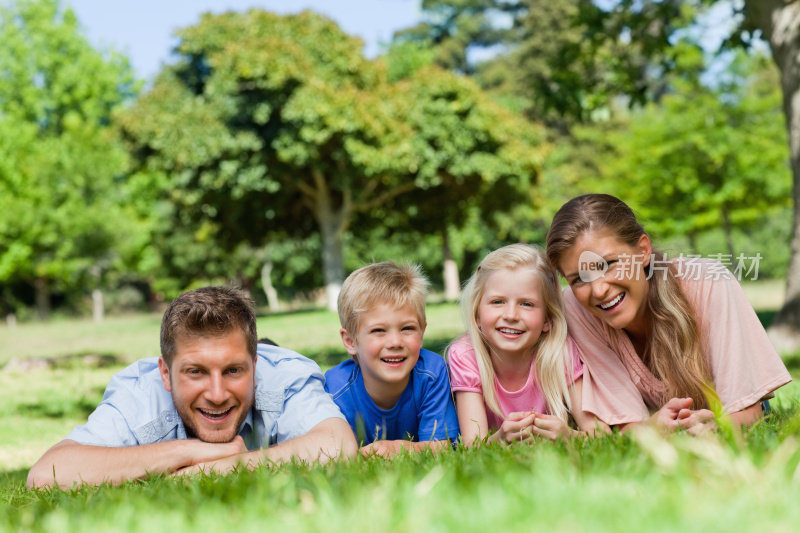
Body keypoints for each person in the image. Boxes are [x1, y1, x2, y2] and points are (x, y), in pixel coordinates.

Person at [27, 286, 357, 489]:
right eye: (196, 372)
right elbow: (46, 476)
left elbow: (339, 445)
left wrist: (220, 468)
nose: (216, 394)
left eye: (233, 370)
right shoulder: (141, 392)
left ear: (255, 366)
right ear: (166, 374)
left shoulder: (284, 375)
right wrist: (192, 452)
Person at [545, 193, 792, 433]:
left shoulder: (708, 283)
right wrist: (652, 428)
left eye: (609, 264)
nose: (598, 290)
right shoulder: (576, 308)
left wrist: (717, 427)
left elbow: (749, 409)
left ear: (643, 251)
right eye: (578, 279)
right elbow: (625, 423)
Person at [447, 244, 602, 446]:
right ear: (477, 314)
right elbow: (472, 445)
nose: (511, 315)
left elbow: (599, 433)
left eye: (526, 304)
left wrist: (569, 436)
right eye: (497, 302)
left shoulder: (560, 352)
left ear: (548, 319)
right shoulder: (466, 355)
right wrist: (499, 439)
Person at [324, 262, 460, 457]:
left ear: (422, 333)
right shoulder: (334, 389)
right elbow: (329, 453)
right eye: (378, 330)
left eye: (407, 329)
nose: (395, 342)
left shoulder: (431, 373)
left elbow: (442, 446)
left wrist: (402, 449)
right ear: (350, 341)